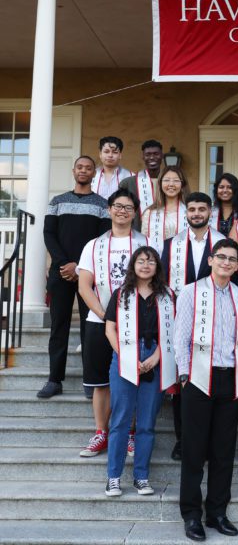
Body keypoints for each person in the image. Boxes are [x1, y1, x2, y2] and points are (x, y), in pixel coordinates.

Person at [174, 238, 238, 542]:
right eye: (221, 257)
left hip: (231, 379)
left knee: (224, 450)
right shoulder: (191, 292)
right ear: (210, 260)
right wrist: (183, 375)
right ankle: (191, 514)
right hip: (198, 378)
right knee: (194, 450)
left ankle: (217, 511)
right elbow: (180, 336)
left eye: (232, 259)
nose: (226, 262)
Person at [77, 188, 148, 457]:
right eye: (117, 206)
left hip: (135, 322)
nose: (122, 211)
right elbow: (85, 286)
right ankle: (100, 432)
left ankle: (128, 432)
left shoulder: (145, 243)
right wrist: (107, 315)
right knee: (99, 381)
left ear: (135, 212)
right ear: (109, 210)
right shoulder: (93, 245)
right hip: (98, 320)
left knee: (130, 378)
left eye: (128, 207)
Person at [103, 246, 176, 497]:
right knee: (120, 421)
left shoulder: (167, 295)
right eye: (141, 261)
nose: (146, 265)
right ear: (133, 264)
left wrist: (157, 357)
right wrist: (127, 357)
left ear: (158, 267)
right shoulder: (121, 293)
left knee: (146, 423)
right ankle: (113, 477)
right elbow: (110, 329)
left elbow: (172, 333)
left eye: (151, 261)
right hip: (124, 356)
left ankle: (141, 477)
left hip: (156, 355)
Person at [37, 156, 111, 399]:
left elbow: (101, 240)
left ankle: (91, 381)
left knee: (90, 328)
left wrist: (79, 266)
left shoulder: (102, 204)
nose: (83, 171)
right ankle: (54, 379)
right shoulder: (57, 201)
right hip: (60, 273)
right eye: (80, 167)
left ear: (93, 173)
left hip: (88, 274)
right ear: (74, 171)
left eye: (88, 168)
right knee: (59, 326)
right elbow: (49, 234)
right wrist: (64, 264)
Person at [161, 191, 226, 461]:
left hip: (215, 321)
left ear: (211, 212)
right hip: (183, 320)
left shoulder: (223, 243)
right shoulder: (171, 245)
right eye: (192, 209)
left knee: (212, 381)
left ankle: (211, 441)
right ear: (186, 213)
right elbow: (163, 283)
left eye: (202, 209)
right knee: (183, 382)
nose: (197, 213)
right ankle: (182, 439)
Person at [141, 166, 189, 254]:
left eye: (176, 180)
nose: (171, 184)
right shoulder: (149, 213)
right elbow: (144, 242)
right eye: (167, 180)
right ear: (160, 183)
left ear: (183, 184)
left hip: (183, 261)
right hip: (156, 261)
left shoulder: (190, 212)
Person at [119, 139, 164, 230]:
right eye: (148, 154)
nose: (152, 157)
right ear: (143, 157)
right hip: (138, 232)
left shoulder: (172, 183)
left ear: (162, 156)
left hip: (165, 231)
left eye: (156, 154)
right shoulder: (128, 184)